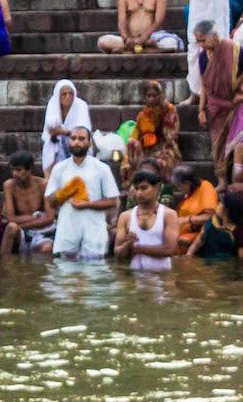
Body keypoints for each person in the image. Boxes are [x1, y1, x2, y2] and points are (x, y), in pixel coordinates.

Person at [195, 22, 243, 186]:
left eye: (203, 40)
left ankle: (241, 178)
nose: (202, 45)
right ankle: (222, 181)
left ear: (213, 36)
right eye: (198, 41)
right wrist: (201, 109)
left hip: (237, 101)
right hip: (216, 106)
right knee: (217, 142)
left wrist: (242, 90)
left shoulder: (233, 48)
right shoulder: (202, 57)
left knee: (242, 140)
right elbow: (204, 85)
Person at [46, 127, 120, 259]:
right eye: (73, 138)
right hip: (67, 230)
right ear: (68, 142)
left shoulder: (102, 168)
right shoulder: (59, 168)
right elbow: (50, 201)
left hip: (94, 231)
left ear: (90, 143)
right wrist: (65, 193)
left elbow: (113, 201)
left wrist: (87, 205)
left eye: (81, 139)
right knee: (65, 275)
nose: (76, 142)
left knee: (94, 274)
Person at [114, 169, 180, 270]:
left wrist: (137, 248)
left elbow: (169, 249)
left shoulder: (169, 215)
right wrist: (127, 244)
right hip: (135, 278)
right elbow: (117, 253)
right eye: (136, 188)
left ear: (156, 188)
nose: (139, 193)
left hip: (162, 278)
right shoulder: (125, 216)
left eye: (144, 188)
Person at [118, 81, 181, 181]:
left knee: (161, 162)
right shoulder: (143, 114)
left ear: (160, 96)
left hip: (164, 148)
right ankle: (134, 186)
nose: (151, 99)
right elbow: (135, 136)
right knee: (131, 145)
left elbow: (170, 136)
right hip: (146, 148)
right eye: (148, 96)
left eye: (154, 95)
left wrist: (159, 117)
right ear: (145, 97)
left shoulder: (169, 110)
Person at [39, 79, 91, 177]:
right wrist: (59, 133)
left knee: (77, 142)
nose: (68, 97)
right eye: (64, 94)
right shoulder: (53, 104)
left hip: (78, 142)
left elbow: (83, 132)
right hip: (57, 140)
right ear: (58, 96)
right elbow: (50, 130)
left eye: (71, 93)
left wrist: (63, 132)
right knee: (49, 145)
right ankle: (49, 180)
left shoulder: (81, 105)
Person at [186, 192, 243, 259]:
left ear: (227, 210)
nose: (219, 205)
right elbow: (196, 243)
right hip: (206, 263)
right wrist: (188, 257)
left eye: (222, 203)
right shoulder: (212, 221)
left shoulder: (241, 232)